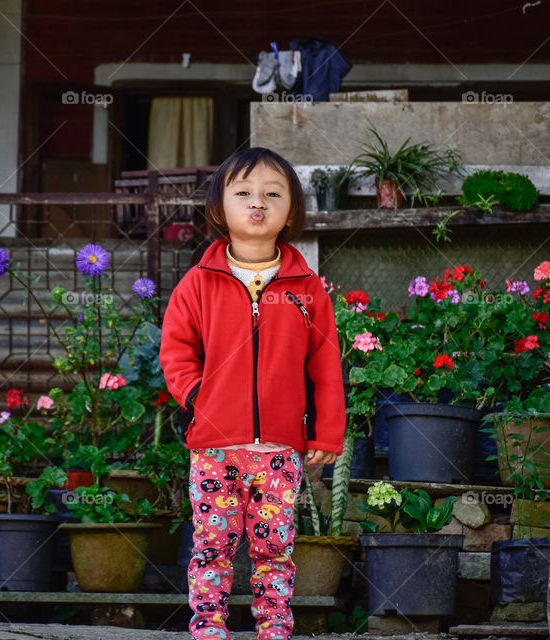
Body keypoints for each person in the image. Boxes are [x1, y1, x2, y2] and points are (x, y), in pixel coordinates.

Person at [159, 147, 346, 640]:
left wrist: (327, 430)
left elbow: (326, 364)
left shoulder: (307, 288)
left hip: (280, 451)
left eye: (272, 194)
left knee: (274, 552)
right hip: (214, 449)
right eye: (243, 193)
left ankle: (273, 631)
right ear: (221, 209)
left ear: (291, 213)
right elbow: (176, 351)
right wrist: (200, 397)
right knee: (212, 549)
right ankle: (208, 631)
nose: (257, 203)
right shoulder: (198, 284)